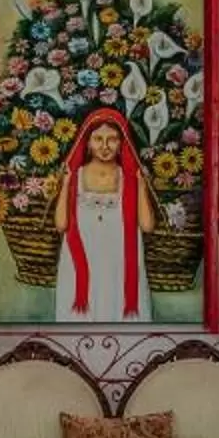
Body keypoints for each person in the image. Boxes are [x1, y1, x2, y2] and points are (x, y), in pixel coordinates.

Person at [53, 108, 151, 321]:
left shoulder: (129, 179)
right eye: (98, 139)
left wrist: (141, 186)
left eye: (112, 139)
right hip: (81, 257)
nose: (105, 146)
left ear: (122, 143)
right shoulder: (76, 177)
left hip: (119, 260)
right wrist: (65, 183)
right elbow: (61, 225)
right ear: (87, 142)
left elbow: (147, 226)